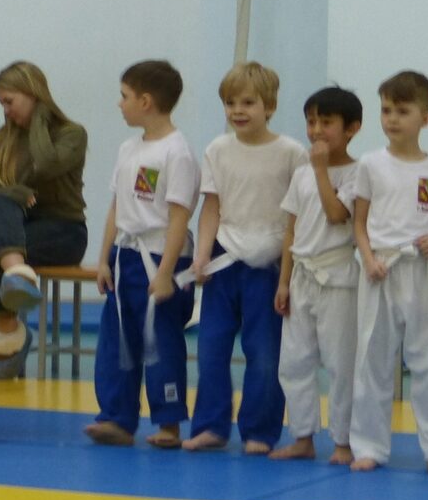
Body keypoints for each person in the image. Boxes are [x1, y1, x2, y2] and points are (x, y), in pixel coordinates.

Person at [184, 62, 308, 454]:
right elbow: (211, 207)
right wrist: (202, 254)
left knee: (265, 352)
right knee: (211, 347)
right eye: (230, 103)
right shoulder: (218, 150)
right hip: (224, 259)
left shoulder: (292, 154)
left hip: (270, 262)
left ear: (269, 106)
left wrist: (288, 271)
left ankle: (260, 430)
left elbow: (298, 216)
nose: (238, 110)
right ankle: (211, 425)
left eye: (248, 103)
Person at [346, 70, 428, 476]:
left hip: (421, 267)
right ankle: (368, 445)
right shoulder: (371, 164)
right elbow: (359, 222)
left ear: (425, 118)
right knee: (372, 360)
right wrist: (368, 258)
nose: (392, 119)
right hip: (380, 268)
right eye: (386, 110)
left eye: (402, 111)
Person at [86, 60, 199, 448]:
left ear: (146, 101)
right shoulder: (128, 148)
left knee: (160, 342)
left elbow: (180, 217)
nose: (119, 104)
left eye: (125, 96)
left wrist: (166, 273)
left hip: (161, 257)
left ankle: (168, 422)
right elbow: (116, 207)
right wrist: (104, 258)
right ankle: (117, 418)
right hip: (126, 254)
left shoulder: (177, 153)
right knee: (117, 340)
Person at [272, 86, 362, 463]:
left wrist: (322, 170)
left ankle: (343, 441)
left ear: (352, 128)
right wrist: (283, 281)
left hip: (338, 277)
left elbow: (337, 215)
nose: (316, 131)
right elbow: (291, 230)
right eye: (311, 122)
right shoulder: (301, 174)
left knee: (340, 363)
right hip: (301, 275)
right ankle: (302, 436)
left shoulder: (359, 173)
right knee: (294, 361)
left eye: (326, 122)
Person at [0, 61, 89, 379]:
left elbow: (47, 164)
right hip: (16, 230)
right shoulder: (2, 138)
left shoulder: (72, 133)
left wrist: (40, 118)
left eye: (9, 101)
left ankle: (7, 338)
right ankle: (13, 287)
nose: (5, 111)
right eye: (1, 103)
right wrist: (12, 192)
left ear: (32, 93)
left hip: (64, 231)